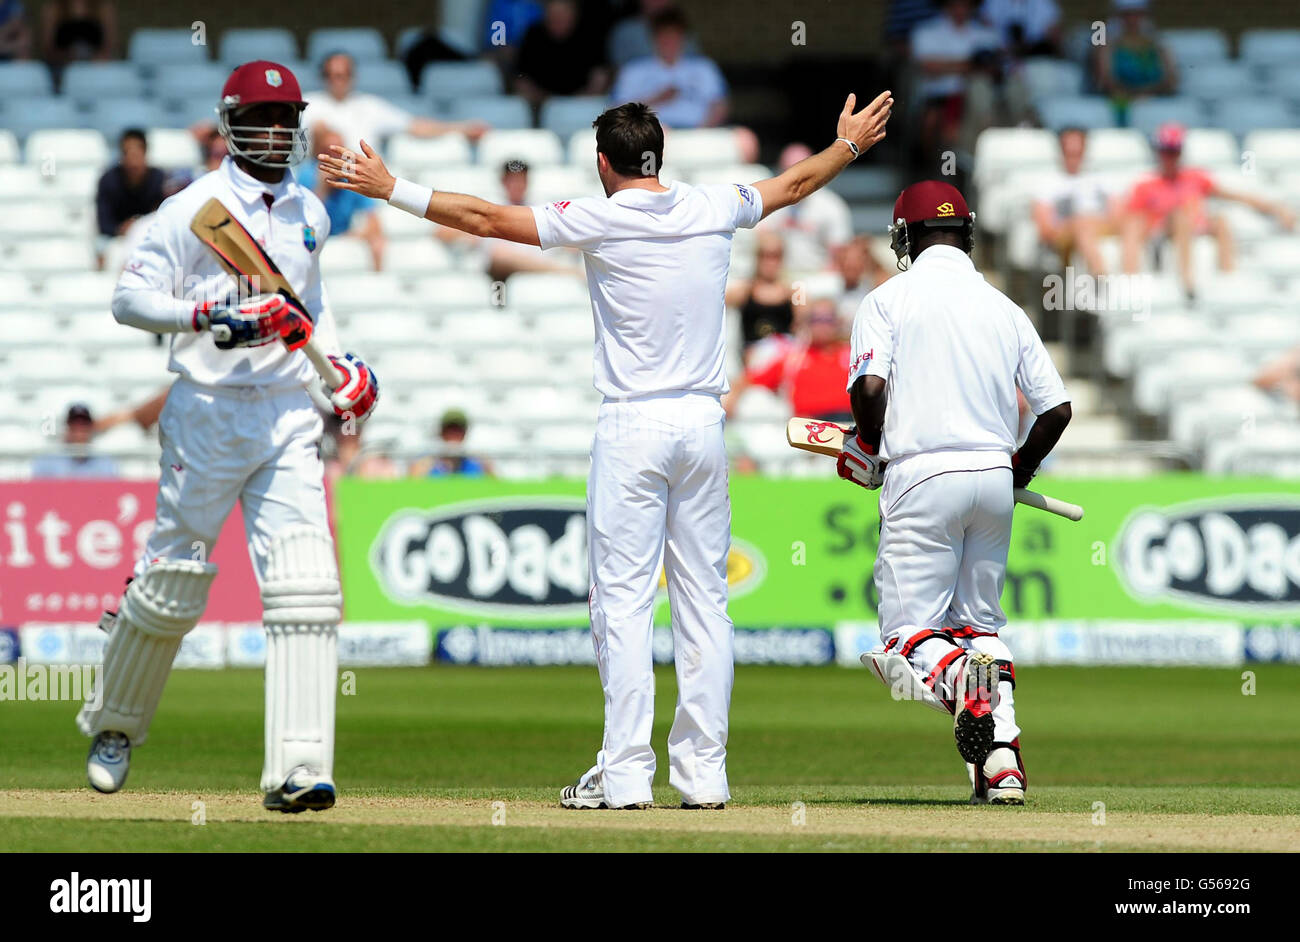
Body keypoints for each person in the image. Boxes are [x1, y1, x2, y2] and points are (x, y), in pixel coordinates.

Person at [319, 87, 893, 811]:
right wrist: (848, 146)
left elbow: (486, 217)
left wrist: (389, 187)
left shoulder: (599, 215)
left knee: (622, 604)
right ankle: (703, 775)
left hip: (633, 426)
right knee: (705, 604)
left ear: (602, 162)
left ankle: (624, 776)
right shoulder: (712, 205)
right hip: (702, 425)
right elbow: (795, 184)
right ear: (660, 155)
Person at [81, 60, 380, 815]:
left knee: (307, 581)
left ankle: (299, 766)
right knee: (172, 580)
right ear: (231, 122)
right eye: (265, 117)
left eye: (289, 118)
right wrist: (205, 318)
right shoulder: (192, 208)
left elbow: (313, 310)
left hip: (285, 411)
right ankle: (115, 726)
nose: (279, 131)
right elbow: (128, 298)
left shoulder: (310, 210)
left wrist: (340, 372)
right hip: (207, 409)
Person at [840, 179, 1071, 805]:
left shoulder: (887, 300)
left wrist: (867, 445)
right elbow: (1056, 411)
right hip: (994, 478)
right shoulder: (1005, 307)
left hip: (922, 474)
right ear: (964, 233)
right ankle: (1002, 767)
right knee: (979, 627)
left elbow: (868, 393)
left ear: (905, 237)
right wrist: (1017, 469)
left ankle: (969, 698)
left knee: (905, 636)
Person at [1121, 123, 1294, 299]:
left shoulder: (1195, 178)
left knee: (1220, 220)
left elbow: (1236, 195)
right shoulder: (1146, 185)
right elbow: (1131, 220)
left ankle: (1228, 279)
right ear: (1158, 152)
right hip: (1164, 230)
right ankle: (1187, 281)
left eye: (1175, 151)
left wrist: (1276, 208)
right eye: (1166, 151)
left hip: (1196, 224)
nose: (1170, 157)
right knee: (1180, 217)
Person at [305, 51, 487, 152]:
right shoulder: (309, 104)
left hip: (361, 184)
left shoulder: (369, 105)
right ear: (323, 77)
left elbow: (414, 126)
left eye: (343, 75)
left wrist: (461, 128)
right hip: (321, 179)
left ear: (353, 77)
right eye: (332, 75)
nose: (338, 80)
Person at [725, 298, 854, 424]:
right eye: (816, 320)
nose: (822, 325)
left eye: (828, 320)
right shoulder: (794, 359)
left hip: (849, 424)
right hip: (808, 430)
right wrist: (732, 399)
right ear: (807, 323)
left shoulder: (851, 355)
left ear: (837, 322)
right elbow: (750, 379)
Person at [910, 0, 1005, 163]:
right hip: (939, 97)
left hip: (977, 100)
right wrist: (973, 65)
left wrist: (948, 65)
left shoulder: (986, 33)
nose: (960, 9)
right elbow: (929, 67)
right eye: (955, 4)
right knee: (942, 130)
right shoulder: (927, 31)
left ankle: (968, 168)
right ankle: (939, 171)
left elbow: (995, 67)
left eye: (965, 4)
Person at [608, 7, 728, 129]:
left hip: (697, 132)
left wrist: (702, 131)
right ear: (654, 38)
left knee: (744, 137)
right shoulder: (633, 70)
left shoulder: (704, 67)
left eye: (674, 36)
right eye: (664, 36)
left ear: (683, 38)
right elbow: (615, 111)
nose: (669, 41)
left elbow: (720, 105)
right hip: (650, 135)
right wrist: (656, 99)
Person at [758, 143, 854, 273]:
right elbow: (762, 241)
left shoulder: (831, 206)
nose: (795, 180)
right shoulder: (772, 201)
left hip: (819, 276)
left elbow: (840, 253)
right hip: (780, 277)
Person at [300, 125, 385, 270]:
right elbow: (304, 219)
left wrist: (359, 234)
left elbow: (373, 218)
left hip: (344, 238)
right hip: (313, 238)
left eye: (340, 152)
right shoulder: (307, 174)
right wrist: (323, 188)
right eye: (329, 152)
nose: (335, 158)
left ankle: (377, 283)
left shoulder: (352, 177)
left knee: (378, 243)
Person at [1032, 126, 1114, 275]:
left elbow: (1115, 212)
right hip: (1064, 234)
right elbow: (1045, 228)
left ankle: (1125, 279)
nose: (1074, 158)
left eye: (1078, 153)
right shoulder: (1048, 183)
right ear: (1061, 152)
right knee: (1081, 224)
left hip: (1096, 227)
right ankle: (1100, 276)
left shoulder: (1099, 179)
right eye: (1069, 153)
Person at [514, 0, 610, 108]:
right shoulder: (533, 35)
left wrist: (582, 97)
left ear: (574, 14)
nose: (557, 19)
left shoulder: (590, 35)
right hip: (540, 107)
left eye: (562, 15)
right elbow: (521, 78)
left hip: (582, 105)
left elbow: (600, 75)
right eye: (553, 15)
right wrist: (541, 100)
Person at [1095, 0, 1176, 125]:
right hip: (1121, 103)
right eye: (1127, 15)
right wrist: (1133, 96)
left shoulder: (1159, 46)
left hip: (1156, 101)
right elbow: (1106, 80)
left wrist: (1148, 95)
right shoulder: (1107, 47)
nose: (1132, 20)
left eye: (1137, 15)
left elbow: (1171, 79)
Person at [725, 231, 794, 354]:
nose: (770, 263)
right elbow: (719, 302)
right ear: (757, 257)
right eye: (765, 256)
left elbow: (804, 322)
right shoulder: (745, 289)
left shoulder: (794, 290)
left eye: (775, 256)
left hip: (784, 355)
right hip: (753, 359)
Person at [95, 129, 165, 239]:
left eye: (137, 154)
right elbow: (104, 224)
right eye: (127, 153)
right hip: (116, 238)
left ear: (145, 153)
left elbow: (164, 216)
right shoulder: (108, 180)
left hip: (150, 235)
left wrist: (139, 225)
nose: (133, 161)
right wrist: (121, 229)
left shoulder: (159, 179)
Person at [30, 404, 118, 478]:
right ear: (67, 429)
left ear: (90, 430)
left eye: (83, 427)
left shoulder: (104, 463)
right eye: (74, 427)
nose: (79, 433)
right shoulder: (48, 461)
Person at [409, 409, 494, 477]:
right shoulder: (426, 462)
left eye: (458, 431)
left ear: (464, 434)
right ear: (441, 433)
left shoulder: (477, 463)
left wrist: (487, 467)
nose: (453, 435)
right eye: (449, 431)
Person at [41, 0, 113, 69]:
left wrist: (97, 59)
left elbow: (110, 48)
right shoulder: (53, 9)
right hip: (61, 71)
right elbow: (48, 50)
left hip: (96, 70)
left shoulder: (103, 8)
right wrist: (67, 57)